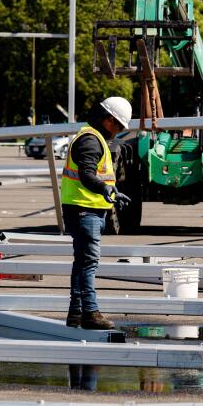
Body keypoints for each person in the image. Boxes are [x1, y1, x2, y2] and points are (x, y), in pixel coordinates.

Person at [61, 96, 133, 330]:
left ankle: (76, 313)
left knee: (82, 263)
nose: (120, 131)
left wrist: (109, 192)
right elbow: (87, 174)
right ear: (109, 119)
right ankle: (90, 313)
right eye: (120, 126)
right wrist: (104, 188)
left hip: (85, 208)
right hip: (85, 210)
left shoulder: (92, 137)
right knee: (88, 264)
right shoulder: (91, 140)